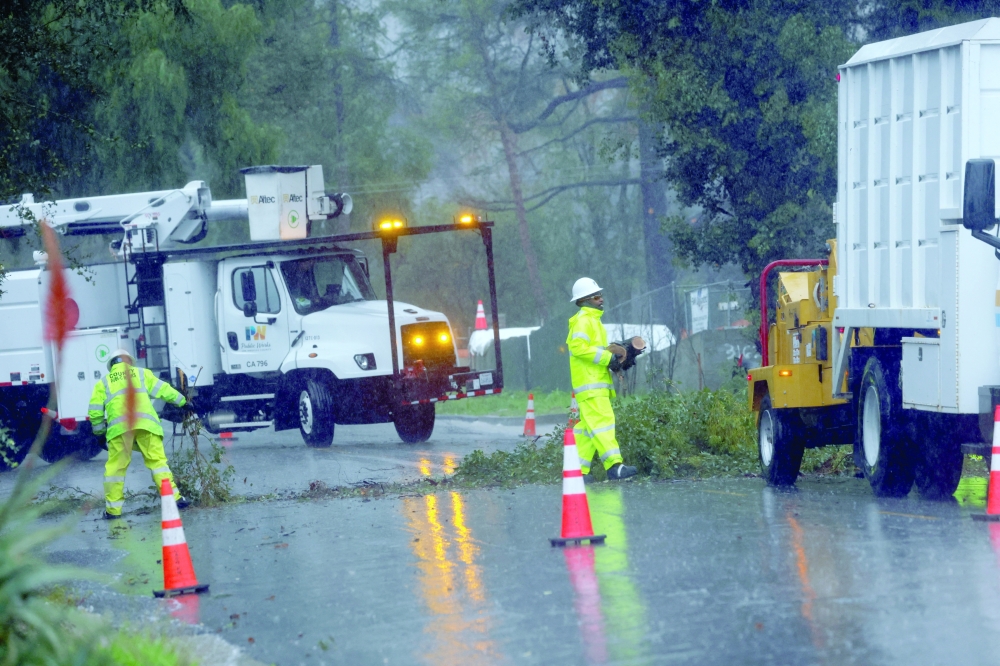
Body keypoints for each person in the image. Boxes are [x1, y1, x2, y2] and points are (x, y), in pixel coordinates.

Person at [88, 349, 190, 518]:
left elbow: (95, 412)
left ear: (112, 365)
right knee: (158, 464)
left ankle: (113, 512)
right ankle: (175, 500)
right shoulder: (142, 374)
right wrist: (183, 402)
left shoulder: (103, 383)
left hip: (119, 430)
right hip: (146, 426)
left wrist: (99, 433)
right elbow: (164, 389)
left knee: (116, 470)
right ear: (129, 362)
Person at [566, 278, 638, 482]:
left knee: (587, 428)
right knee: (603, 422)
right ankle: (614, 467)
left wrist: (614, 360)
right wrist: (609, 358)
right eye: (596, 296)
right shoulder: (584, 321)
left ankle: (577, 472)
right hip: (591, 385)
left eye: (600, 295)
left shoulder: (592, 321)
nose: (601, 299)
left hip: (591, 385)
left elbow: (594, 351)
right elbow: (577, 347)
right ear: (585, 300)